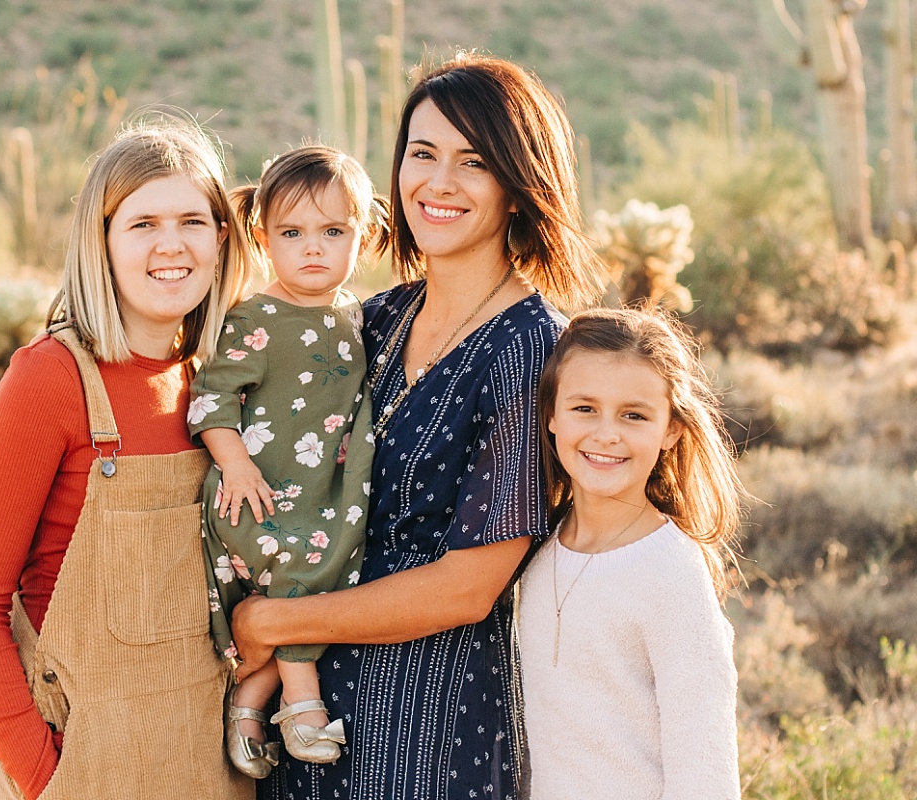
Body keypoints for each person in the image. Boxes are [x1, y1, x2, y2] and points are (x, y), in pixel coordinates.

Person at [233, 53, 608, 800]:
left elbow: (467, 588)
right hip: (304, 727)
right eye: (422, 153)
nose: (437, 183)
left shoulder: (531, 350)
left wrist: (275, 619)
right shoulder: (375, 319)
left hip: (427, 731)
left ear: (517, 185)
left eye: (473, 162)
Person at [0, 115, 256, 800]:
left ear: (221, 237)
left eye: (191, 222)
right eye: (142, 224)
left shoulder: (218, 385)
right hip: (83, 773)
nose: (170, 246)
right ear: (102, 242)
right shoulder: (49, 379)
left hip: (203, 764)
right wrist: (47, 778)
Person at [186, 145, 386, 777]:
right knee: (299, 567)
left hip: (327, 492)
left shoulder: (355, 316)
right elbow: (211, 399)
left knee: (331, 575)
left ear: (365, 234)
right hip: (261, 494)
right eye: (293, 233)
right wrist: (237, 466)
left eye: (334, 232)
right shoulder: (255, 317)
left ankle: (249, 697)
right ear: (263, 236)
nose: (313, 249)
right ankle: (302, 702)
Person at [518, 307, 744, 798]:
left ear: (670, 430)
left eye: (634, 415)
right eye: (584, 408)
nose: (606, 434)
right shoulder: (535, 553)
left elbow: (706, 774)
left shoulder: (671, 574)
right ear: (551, 416)